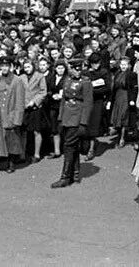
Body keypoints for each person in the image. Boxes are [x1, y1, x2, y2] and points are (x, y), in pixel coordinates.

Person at [52, 60, 92, 188]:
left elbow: (88, 104)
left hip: (77, 117)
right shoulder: (67, 80)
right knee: (71, 145)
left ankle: (65, 177)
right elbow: (64, 100)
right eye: (74, 69)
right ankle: (74, 173)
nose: (77, 71)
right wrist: (60, 117)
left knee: (68, 146)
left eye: (79, 69)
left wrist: (83, 123)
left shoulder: (85, 82)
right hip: (67, 116)